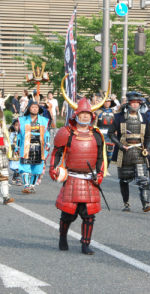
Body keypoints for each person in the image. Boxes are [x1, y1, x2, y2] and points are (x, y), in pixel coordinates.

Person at [49, 92, 107, 255]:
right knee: (68, 213)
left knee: (88, 215)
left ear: (91, 116)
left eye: (87, 114)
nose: (84, 117)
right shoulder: (66, 132)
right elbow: (57, 152)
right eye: (82, 114)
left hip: (90, 178)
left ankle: (85, 244)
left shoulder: (96, 134)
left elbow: (101, 157)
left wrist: (100, 174)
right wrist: (53, 168)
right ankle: (62, 238)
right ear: (76, 115)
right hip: (72, 177)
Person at [108, 92, 150, 213]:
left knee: (143, 180)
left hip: (139, 152)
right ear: (128, 104)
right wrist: (120, 145)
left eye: (137, 103)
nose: (135, 105)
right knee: (124, 180)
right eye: (133, 102)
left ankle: (146, 204)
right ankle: (126, 204)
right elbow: (111, 134)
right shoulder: (118, 117)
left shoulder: (144, 117)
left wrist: (147, 148)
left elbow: (149, 136)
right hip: (124, 153)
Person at [16, 99, 50, 194]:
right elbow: (19, 135)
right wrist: (17, 147)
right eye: (33, 107)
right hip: (26, 146)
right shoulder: (22, 120)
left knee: (37, 168)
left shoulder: (44, 121)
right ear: (29, 108)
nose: (35, 109)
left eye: (36, 107)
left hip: (39, 147)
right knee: (25, 166)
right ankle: (26, 186)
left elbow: (46, 133)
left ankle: (32, 186)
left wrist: (48, 143)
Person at [94, 94, 117, 167]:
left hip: (111, 135)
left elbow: (117, 124)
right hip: (100, 134)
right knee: (100, 153)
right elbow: (94, 124)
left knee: (109, 155)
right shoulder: (98, 112)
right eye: (105, 101)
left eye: (108, 101)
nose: (107, 103)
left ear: (111, 102)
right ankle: (100, 168)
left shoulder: (114, 113)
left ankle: (106, 168)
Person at [8, 119, 21, 186]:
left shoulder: (22, 134)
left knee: (20, 166)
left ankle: (14, 178)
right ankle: (16, 178)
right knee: (16, 166)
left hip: (21, 151)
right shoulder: (12, 134)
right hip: (14, 152)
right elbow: (9, 141)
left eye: (19, 125)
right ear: (13, 126)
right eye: (16, 125)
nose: (18, 127)